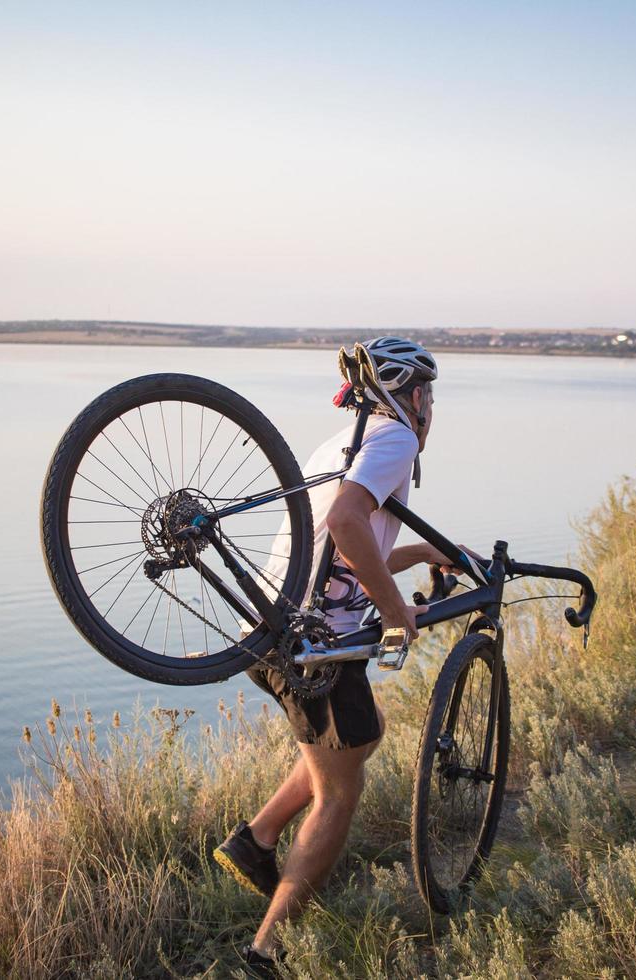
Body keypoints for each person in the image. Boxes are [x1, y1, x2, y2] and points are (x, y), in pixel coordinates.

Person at [211, 337, 469, 975]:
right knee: (339, 794)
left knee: (361, 737)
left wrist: (420, 556)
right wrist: (396, 611)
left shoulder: (346, 441)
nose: (431, 406)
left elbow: (345, 544)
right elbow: (351, 527)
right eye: (428, 394)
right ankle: (264, 953)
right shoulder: (396, 440)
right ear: (410, 396)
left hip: (275, 622)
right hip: (314, 643)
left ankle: (256, 839)